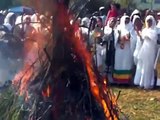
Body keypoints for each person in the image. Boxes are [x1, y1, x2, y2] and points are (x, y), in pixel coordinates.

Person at [137, 15, 158, 89]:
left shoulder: (154, 30)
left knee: (149, 66)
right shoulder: (144, 30)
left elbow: (153, 39)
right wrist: (140, 35)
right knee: (143, 66)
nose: (149, 23)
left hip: (151, 50)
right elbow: (142, 39)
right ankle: (142, 83)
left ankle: (148, 84)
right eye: (148, 21)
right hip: (144, 49)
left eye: (150, 21)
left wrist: (144, 35)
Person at [113, 15, 133, 84]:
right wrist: (119, 38)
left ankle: (126, 81)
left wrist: (128, 38)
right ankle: (118, 81)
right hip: (119, 49)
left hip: (127, 49)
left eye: (128, 19)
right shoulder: (119, 28)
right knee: (119, 63)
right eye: (125, 19)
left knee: (126, 64)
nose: (126, 20)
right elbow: (115, 37)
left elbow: (133, 37)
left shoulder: (131, 28)